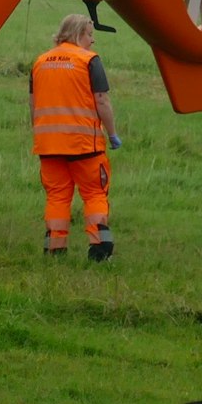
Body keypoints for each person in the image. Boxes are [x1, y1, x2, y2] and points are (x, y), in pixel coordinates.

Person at [30, 14, 121, 261]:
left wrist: (39, 132)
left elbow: (33, 103)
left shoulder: (40, 61)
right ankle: (100, 250)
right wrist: (112, 133)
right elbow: (102, 100)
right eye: (90, 35)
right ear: (79, 34)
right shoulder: (89, 60)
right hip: (84, 145)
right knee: (94, 194)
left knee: (57, 196)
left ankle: (55, 249)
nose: (92, 41)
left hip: (48, 145)